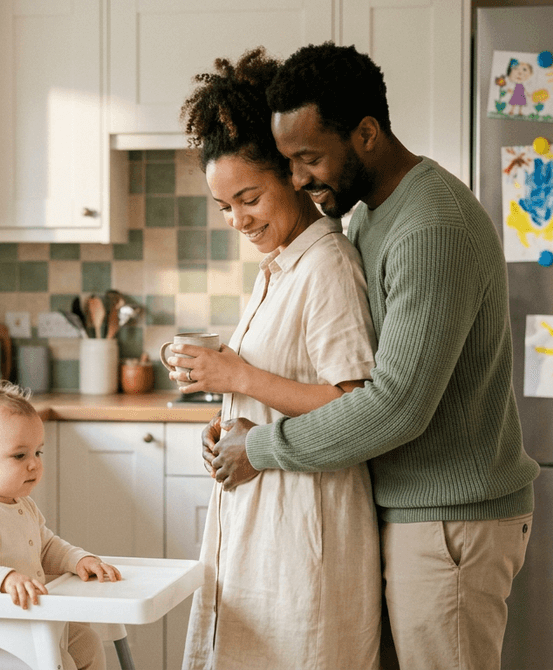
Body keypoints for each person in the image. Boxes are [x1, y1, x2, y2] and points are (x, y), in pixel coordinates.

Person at [187, 43, 541, 670]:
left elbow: (394, 406)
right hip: (415, 511)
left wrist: (258, 448)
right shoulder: (369, 217)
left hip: (450, 521)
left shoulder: (430, 226)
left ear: (367, 133)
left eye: (308, 158)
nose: (298, 178)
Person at [169, 47, 381, 669]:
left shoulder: (328, 267)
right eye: (225, 206)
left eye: (249, 197)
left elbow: (356, 403)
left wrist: (237, 374)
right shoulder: (277, 268)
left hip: (307, 526)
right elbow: (277, 387)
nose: (237, 218)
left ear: (290, 176)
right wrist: (228, 416)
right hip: (263, 516)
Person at [0, 380, 122, 670]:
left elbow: (46, 546)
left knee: (88, 643)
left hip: (29, 617)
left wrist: (77, 559)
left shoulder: (20, 503)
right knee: (60, 662)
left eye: (38, 452)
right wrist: (5, 579)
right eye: (19, 455)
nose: (34, 464)